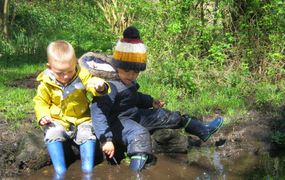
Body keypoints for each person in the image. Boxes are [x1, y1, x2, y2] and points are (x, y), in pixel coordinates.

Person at [85, 26, 223, 171]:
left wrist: (150, 101)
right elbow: (97, 112)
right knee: (140, 135)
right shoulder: (107, 86)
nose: (131, 76)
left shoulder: (127, 81)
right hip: (116, 123)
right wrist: (106, 139)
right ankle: (135, 176)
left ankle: (202, 130)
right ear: (117, 65)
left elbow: (134, 98)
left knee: (165, 115)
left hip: (133, 115)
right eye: (126, 71)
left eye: (136, 72)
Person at [33, 40, 111, 175]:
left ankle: (87, 169)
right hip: (58, 120)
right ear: (50, 67)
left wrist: (100, 85)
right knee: (52, 133)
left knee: (87, 134)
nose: (65, 76)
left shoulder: (81, 75)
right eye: (60, 73)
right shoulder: (46, 82)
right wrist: (43, 116)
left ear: (75, 63)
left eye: (69, 71)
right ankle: (60, 170)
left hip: (81, 119)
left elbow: (90, 84)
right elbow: (41, 101)